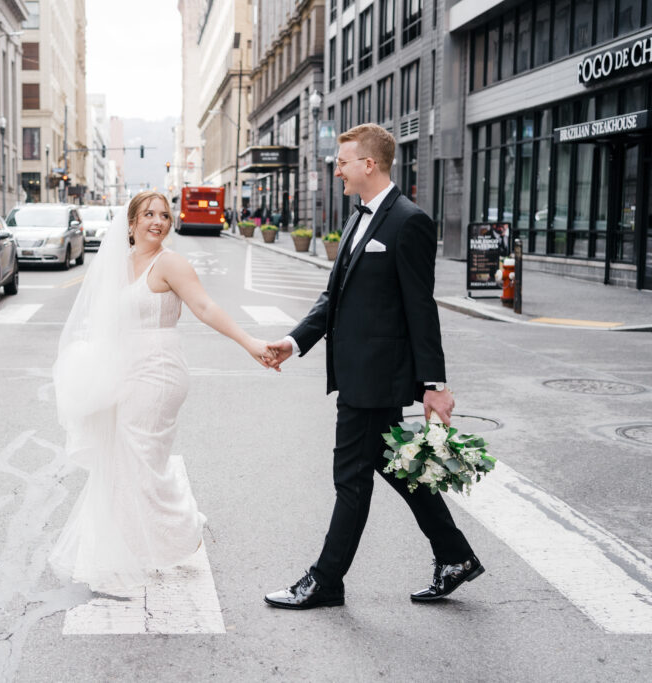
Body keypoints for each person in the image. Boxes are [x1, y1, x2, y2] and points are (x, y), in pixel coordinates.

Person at [262, 123, 483, 609]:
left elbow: (420, 309)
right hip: (360, 373)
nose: (335, 168)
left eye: (342, 161)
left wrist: (434, 385)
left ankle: (325, 580)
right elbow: (333, 298)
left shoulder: (409, 222)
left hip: (377, 378)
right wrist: (293, 342)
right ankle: (455, 556)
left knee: (351, 479)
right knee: (394, 465)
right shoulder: (360, 218)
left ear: (369, 164)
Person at [50, 190, 273, 592]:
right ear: (131, 223)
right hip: (122, 371)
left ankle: (147, 545)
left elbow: (205, 308)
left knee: (138, 458)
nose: (158, 221)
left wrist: (251, 343)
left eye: (165, 215)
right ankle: (166, 532)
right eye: (149, 214)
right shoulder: (117, 265)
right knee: (126, 459)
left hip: (159, 371)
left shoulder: (170, 264)